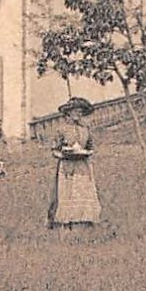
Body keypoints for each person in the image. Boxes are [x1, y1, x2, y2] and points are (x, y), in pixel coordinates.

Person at [48, 97, 100, 228]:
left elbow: (91, 147)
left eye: (81, 112)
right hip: (67, 166)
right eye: (76, 111)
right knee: (67, 192)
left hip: (83, 165)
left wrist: (87, 152)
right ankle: (66, 221)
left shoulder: (85, 129)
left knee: (82, 190)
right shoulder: (62, 129)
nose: (78, 114)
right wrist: (64, 154)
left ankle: (84, 219)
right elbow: (54, 149)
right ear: (68, 113)